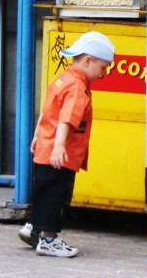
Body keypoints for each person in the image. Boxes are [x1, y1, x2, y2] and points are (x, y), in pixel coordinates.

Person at [18, 31, 115, 257]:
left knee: (42, 192)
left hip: (44, 148)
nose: (104, 73)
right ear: (88, 60)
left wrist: (37, 136)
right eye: (103, 67)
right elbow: (67, 118)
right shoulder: (77, 88)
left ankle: (33, 227)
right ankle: (49, 239)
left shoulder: (61, 79)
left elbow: (47, 111)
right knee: (57, 197)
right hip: (61, 155)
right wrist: (60, 145)